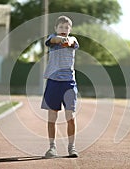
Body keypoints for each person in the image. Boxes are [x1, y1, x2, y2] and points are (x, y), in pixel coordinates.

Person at [41, 15, 79, 158]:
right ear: (56, 28)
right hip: (53, 82)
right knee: (52, 117)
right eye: (61, 27)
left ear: (70, 29)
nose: (64, 29)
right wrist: (60, 39)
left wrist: (66, 40)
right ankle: (52, 148)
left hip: (69, 83)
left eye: (66, 27)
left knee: (71, 117)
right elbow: (54, 40)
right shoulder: (52, 39)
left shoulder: (73, 40)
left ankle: (72, 147)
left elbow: (71, 41)